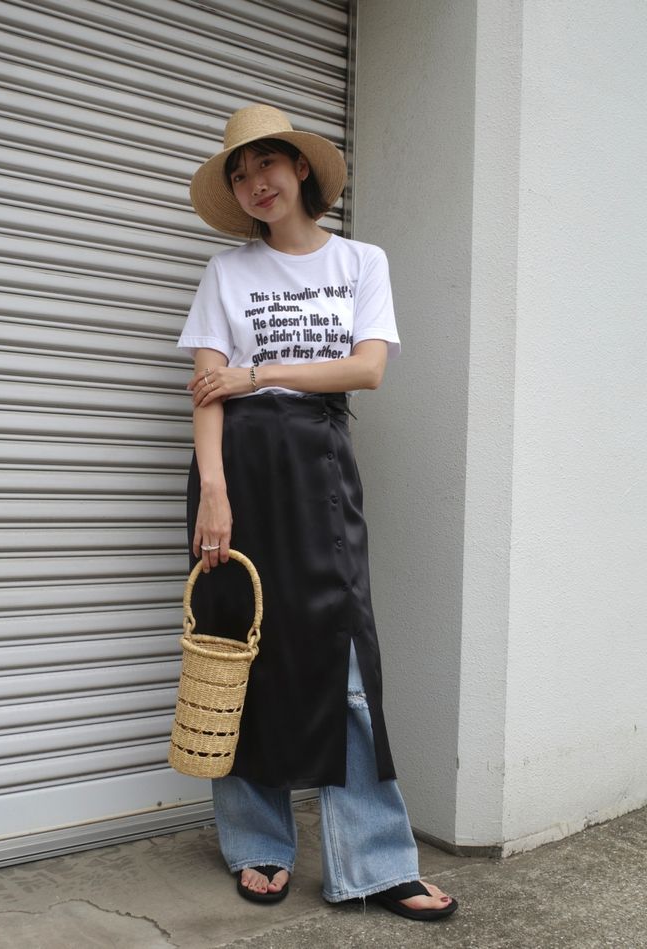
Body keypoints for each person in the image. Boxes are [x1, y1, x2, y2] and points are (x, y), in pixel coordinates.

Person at [176, 104, 458, 922]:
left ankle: (375, 861)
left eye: (266, 163)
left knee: (345, 661)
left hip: (318, 465)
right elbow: (206, 391)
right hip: (236, 470)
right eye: (239, 173)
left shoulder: (360, 260)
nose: (254, 183)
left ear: (301, 168)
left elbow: (367, 370)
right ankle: (257, 842)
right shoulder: (226, 272)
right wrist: (214, 489)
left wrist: (258, 371)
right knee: (240, 650)